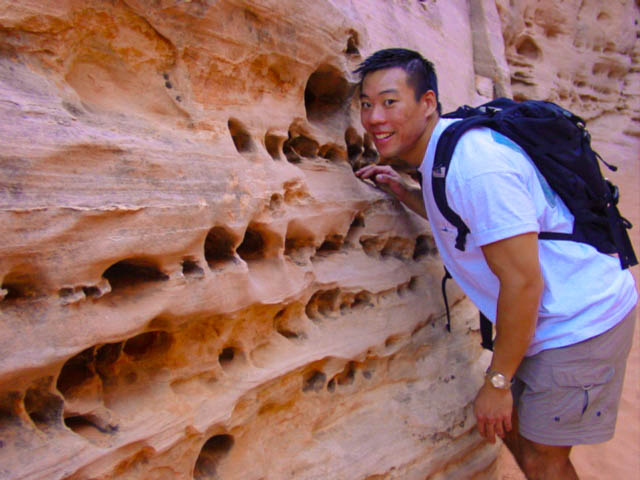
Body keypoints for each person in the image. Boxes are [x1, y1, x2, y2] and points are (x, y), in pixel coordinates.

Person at [354, 48, 638, 480]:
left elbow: (523, 282)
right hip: (545, 321)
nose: (375, 117)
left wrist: (498, 381)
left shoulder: (475, 167)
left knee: (545, 457)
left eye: (390, 102)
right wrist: (406, 193)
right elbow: (472, 221)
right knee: (517, 434)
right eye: (366, 104)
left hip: (580, 320)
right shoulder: (440, 154)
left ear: (427, 102)